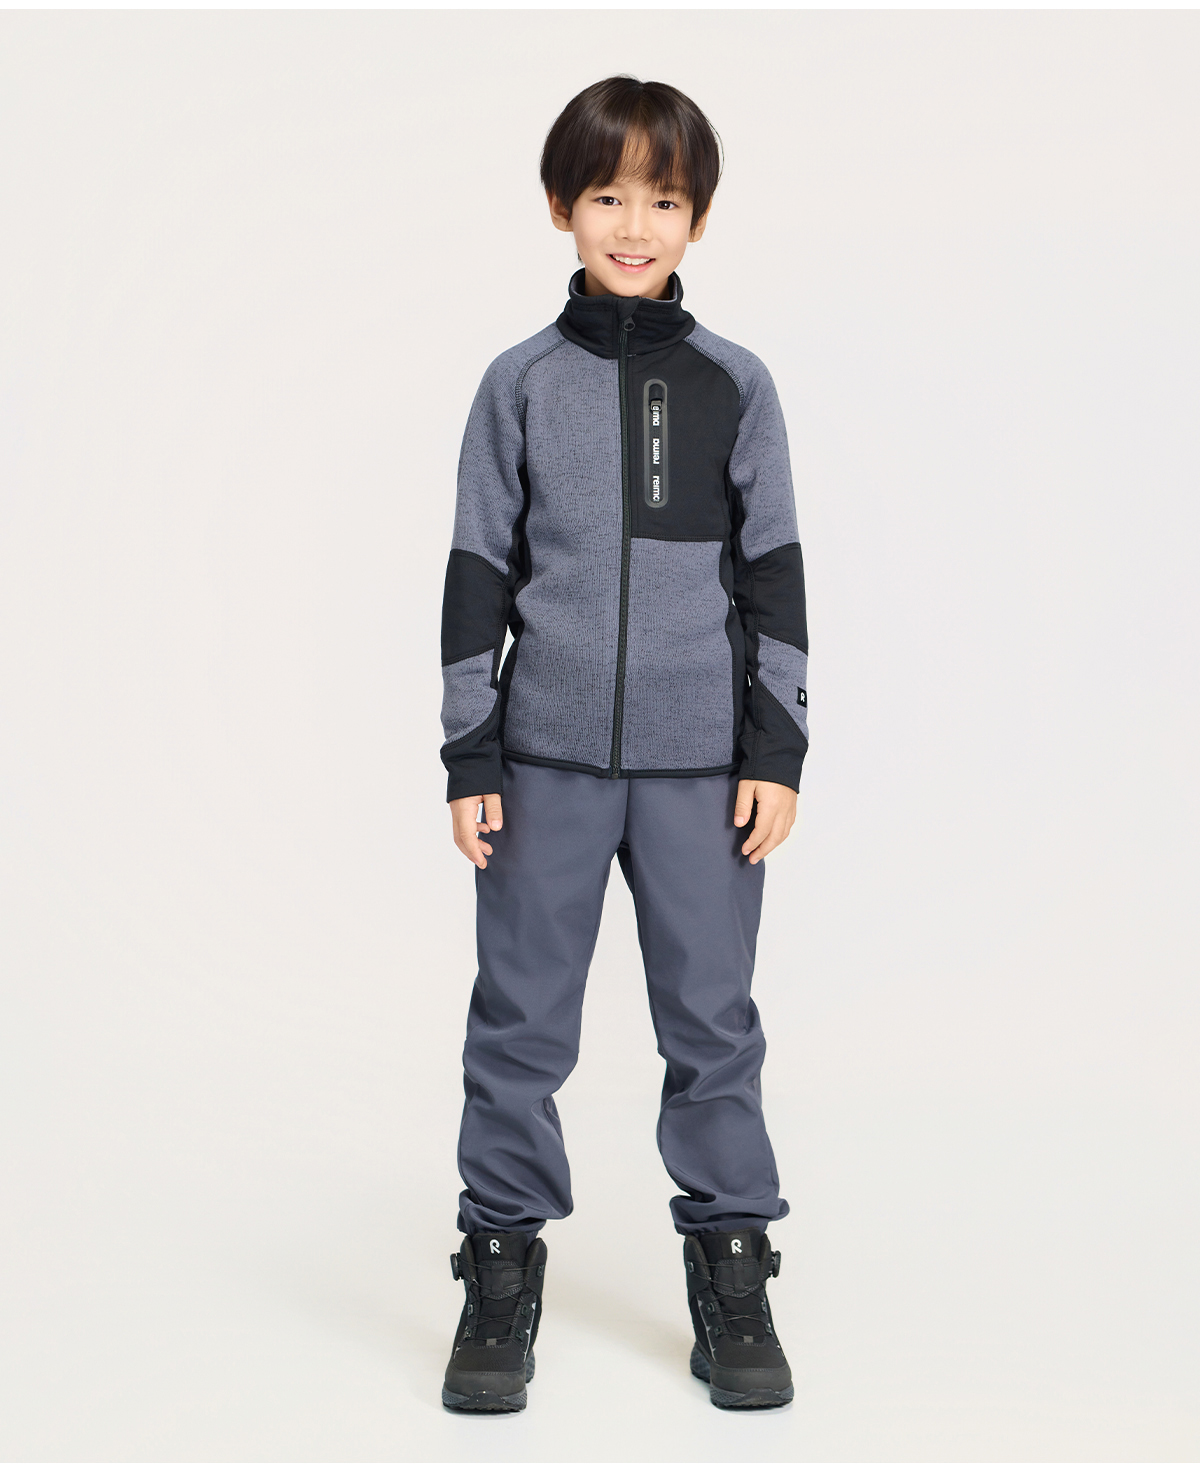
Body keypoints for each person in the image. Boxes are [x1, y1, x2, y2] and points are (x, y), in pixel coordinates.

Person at [437, 76, 809, 1413]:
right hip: (543, 762)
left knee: (712, 1021)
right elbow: (477, 574)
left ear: (697, 218)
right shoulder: (519, 386)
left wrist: (777, 750)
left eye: (663, 199)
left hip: (704, 767)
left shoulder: (736, 386)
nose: (634, 225)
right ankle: (499, 1266)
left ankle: (732, 1264)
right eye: (608, 196)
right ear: (562, 208)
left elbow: (774, 576)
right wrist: (471, 755)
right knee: (519, 1022)